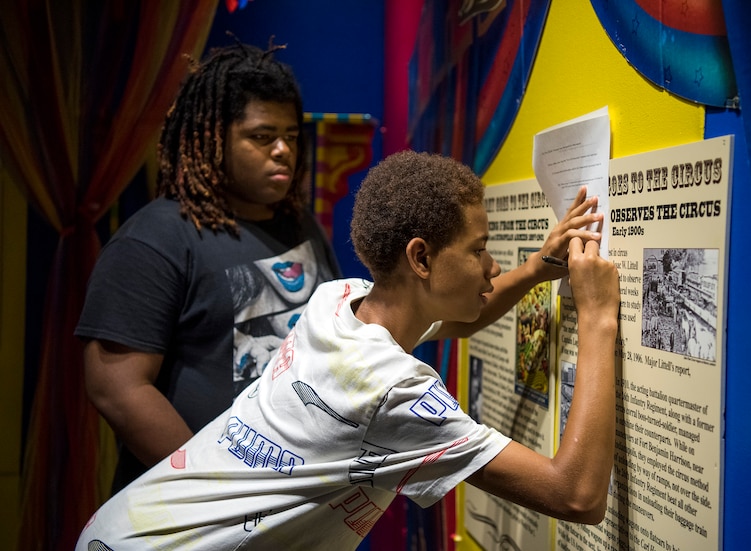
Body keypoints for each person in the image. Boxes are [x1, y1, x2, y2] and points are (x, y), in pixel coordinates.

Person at [75, 151, 619, 550]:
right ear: (421, 258)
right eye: (479, 250)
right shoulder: (392, 390)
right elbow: (576, 496)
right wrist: (596, 317)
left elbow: (451, 321)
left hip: (124, 527)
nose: (491, 266)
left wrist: (535, 270)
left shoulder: (338, 304)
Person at [75, 42, 341, 492]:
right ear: (213, 136)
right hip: (197, 511)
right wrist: (218, 486)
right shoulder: (155, 238)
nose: (282, 151)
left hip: (298, 497)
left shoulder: (299, 224)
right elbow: (116, 388)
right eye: (261, 136)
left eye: (291, 136)